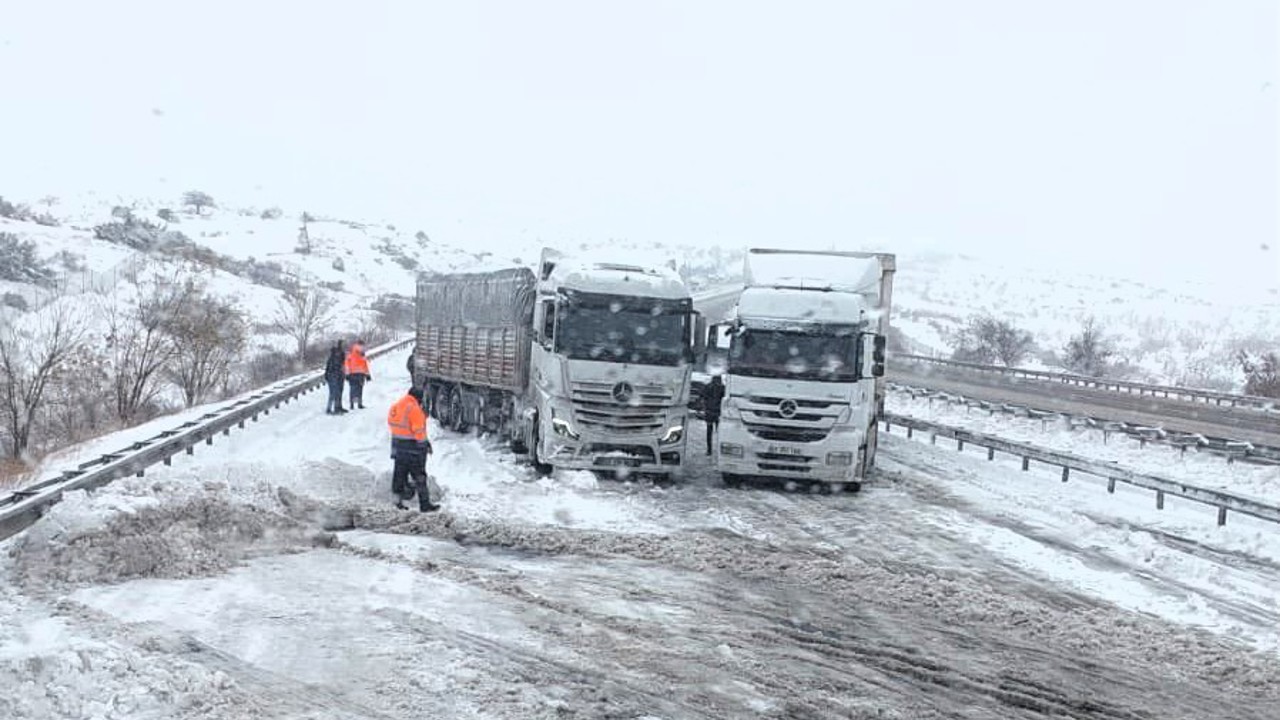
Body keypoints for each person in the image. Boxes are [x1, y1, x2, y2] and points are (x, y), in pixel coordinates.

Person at [387, 386, 438, 511]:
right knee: (419, 476)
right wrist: (425, 445)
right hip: (413, 449)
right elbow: (418, 430)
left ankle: (397, 502)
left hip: (399, 446)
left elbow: (394, 424)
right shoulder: (414, 409)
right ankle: (424, 504)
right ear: (419, 398)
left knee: (399, 474)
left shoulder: (396, 406)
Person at [344, 339, 371, 410]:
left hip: (352, 374)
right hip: (361, 373)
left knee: (352, 389)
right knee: (360, 389)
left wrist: (347, 373)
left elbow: (346, 364)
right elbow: (365, 365)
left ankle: (352, 404)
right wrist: (367, 374)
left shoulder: (350, 353)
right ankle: (359, 404)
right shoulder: (362, 353)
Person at [703, 374, 725, 455]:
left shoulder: (708, 386)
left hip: (710, 411)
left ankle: (709, 450)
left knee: (709, 432)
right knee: (720, 432)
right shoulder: (723, 388)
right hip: (718, 412)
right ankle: (719, 450)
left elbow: (703, 397)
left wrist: (705, 408)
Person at [324, 341, 347, 415]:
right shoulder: (333, 359)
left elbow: (342, 366)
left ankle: (338, 407)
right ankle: (329, 409)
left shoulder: (340, 357)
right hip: (333, 377)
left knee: (339, 393)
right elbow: (331, 369)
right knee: (333, 393)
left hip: (339, 377)